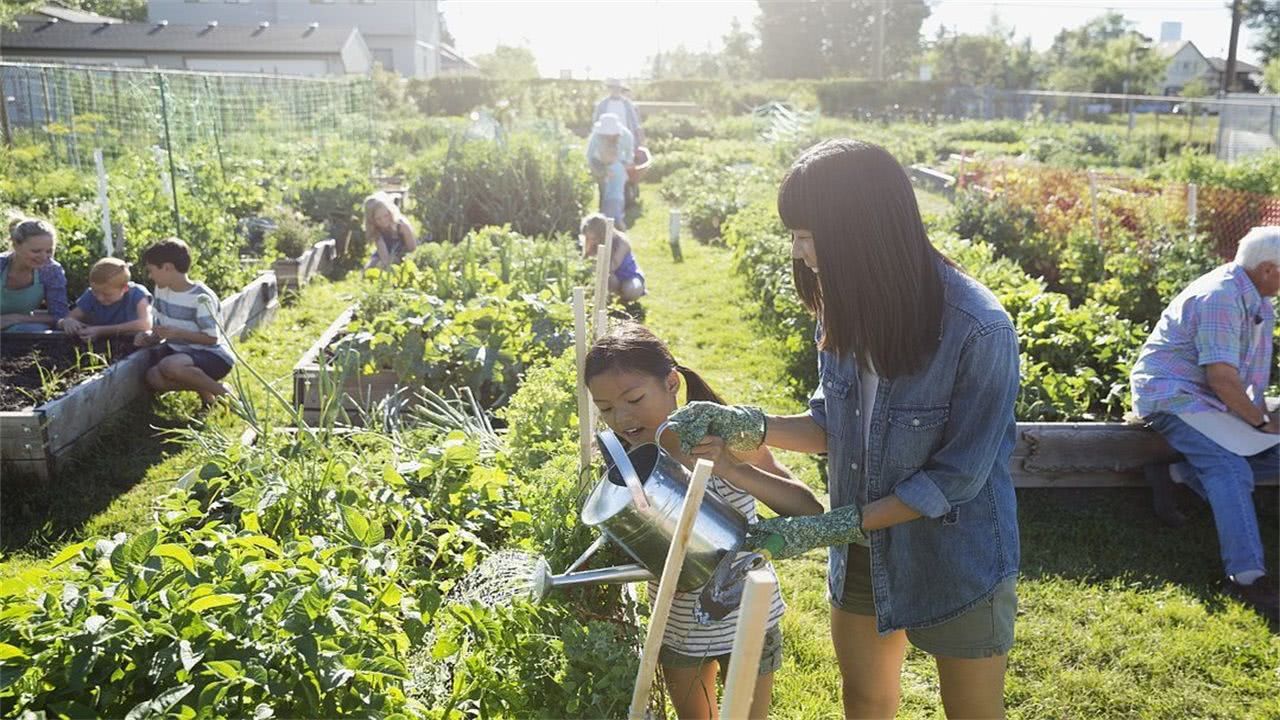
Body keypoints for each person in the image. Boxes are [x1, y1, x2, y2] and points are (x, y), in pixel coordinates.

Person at [667, 139, 1021, 719]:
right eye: (795, 235)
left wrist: (836, 524)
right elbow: (833, 426)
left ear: (864, 230)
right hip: (860, 547)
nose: (800, 252)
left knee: (973, 711)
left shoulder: (978, 330)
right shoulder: (845, 306)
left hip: (958, 552)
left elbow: (956, 479)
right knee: (864, 699)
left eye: (808, 234)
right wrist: (751, 425)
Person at [585, 322, 821, 720]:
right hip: (677, 626)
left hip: (750, 614)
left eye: (634, 398)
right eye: (606, 409)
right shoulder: (623, 469)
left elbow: (808, 510)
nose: (622, 418)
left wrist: (731, 469)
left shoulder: (725, 437)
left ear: (672, 383)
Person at [1131, 225, 1280, 621]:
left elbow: (1251, 376)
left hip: (1212, 400)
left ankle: (1176, 476)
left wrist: (1260, 417)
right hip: (1174, 396)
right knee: (1229, 469)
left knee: (1263, 457)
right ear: (1267, 269)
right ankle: (1247, 578)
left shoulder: (1259, 300)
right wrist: (1261, 424)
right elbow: (1221, 378)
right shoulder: (1221, 297)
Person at [133, 238, 235, 405]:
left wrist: (178, 333)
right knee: (153, 377)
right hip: (182, 356)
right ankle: (208, 394)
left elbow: (211, 338)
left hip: (213, 356)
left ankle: (226, 395)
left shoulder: (200, 296)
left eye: (151, 270)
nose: (150, 276)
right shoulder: (161, 290)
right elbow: (159, 329)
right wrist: (149, 337)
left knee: (169, 366)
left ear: (167, 267)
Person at [57, 257, 152, 340]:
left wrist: (101, 331)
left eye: (107, 294)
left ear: (125, 288)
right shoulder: (90, 296)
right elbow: (68, 318)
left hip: (134, 344)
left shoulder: (137, 294)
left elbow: (145, 324)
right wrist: (68, 322)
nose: (100, 298)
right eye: (95, 292)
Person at [1, 216, 68, 333]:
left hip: (16, 328)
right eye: (36, 251)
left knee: (35, 330)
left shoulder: (51, 270)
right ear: (16, 245)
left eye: (49, 251)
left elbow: (59, 315)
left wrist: (15, 318)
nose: (43, 257)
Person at [581, 213, 646, 302]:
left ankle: (629, 295)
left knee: (631, 290)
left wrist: (593, 267)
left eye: (593, 238)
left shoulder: (621, 241)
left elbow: (611, 267)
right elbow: (583, 263)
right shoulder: (592, 242)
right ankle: (610, 299)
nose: (591, 241)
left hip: (629, 276)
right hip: (612, 279)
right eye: (588, 238)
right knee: (609, 279)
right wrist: (587, 251)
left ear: (602, 234)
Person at [586, 113, 634, 230]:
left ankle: (613, 227)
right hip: (603, 165)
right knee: (606, 194)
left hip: (617, 166)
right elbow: (590, 156)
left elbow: (629, 156)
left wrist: (621, 166)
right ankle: (604, 219)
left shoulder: (626, 136)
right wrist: (602, 170)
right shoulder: (597, 136)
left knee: (614, 206)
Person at [364, 192, 417, 269]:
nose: (383, 221)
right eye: (378, 219)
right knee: (371, 267)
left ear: (390, 211)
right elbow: (385, 258)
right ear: (372, 220)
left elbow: (412, 249)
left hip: (403, 254)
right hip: (385, 256)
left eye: (386, 215)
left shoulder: (401, 226)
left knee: (403, 264)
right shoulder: (377, 231)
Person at [594, 78, 644, 147]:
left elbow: (635, 123)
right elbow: (596, 122)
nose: (615, 90)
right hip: (608, 138)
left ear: (621, 89)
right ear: (610, 88)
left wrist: (640, 140)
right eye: (613, 87)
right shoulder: (602, 104)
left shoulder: (627, 104)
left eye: (617, 88)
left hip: (625, 138)